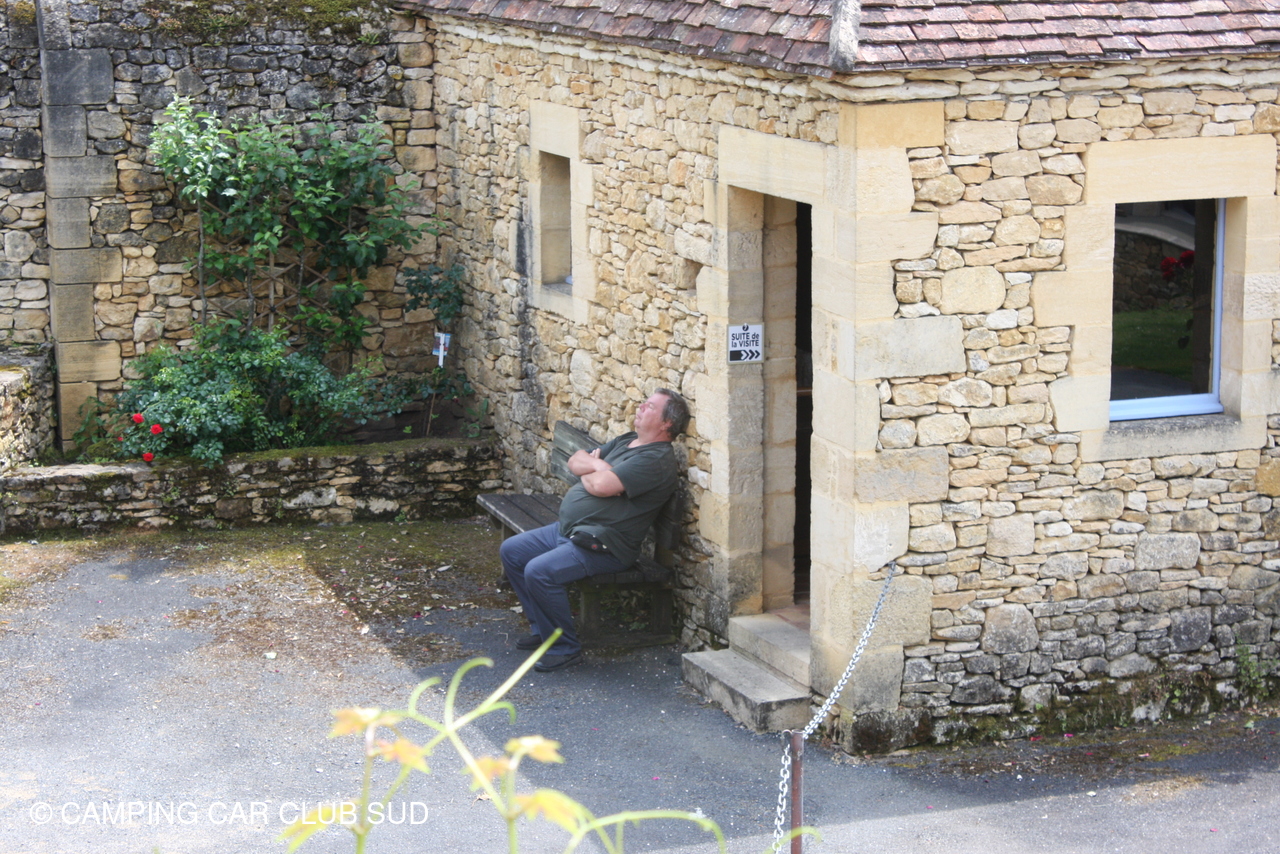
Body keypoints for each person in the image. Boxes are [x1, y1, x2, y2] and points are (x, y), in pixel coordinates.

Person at [501, 388, 690, 672]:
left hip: (604, 545)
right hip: (572, 531)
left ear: (667, 423)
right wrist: (597, 465)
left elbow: (601, 485)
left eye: (650, 406)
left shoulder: (655, 460)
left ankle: (565, 649)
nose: (640, 407)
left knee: (539, 571)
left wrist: (591, 473)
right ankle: (543, 630)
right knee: (512, 551)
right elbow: (575, 460)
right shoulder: (628, 440)